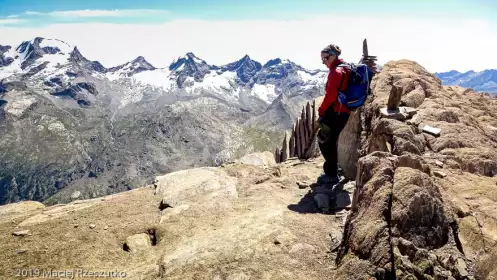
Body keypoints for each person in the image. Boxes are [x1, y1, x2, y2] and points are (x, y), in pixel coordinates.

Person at [316, 44, 350, 185]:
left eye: (325, 58)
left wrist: (321, 110)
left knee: (325, 140)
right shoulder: (346, 68)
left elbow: (330, 96)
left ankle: (331, 174)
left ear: (333, 56)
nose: (324, 62)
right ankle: (335, 170)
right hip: (344, 111)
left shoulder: (335, 72)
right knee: (332, 140)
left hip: (335, 111)